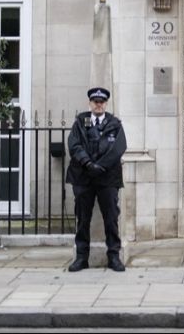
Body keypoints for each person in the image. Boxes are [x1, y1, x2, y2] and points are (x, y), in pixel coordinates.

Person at [66, 87, 128, 272]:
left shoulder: (115, 123)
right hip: (84, 178)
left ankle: (114, 257)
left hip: (107, 178)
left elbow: (119, 147)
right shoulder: (80, 122)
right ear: (90, 103)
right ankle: (82, 257)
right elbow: (74, 145)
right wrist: (88, 163)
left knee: (111, 218)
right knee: (83, 219)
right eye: (95, 101)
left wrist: (101, 166)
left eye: (101, 102)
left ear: (106, 104)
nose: (98, 105)